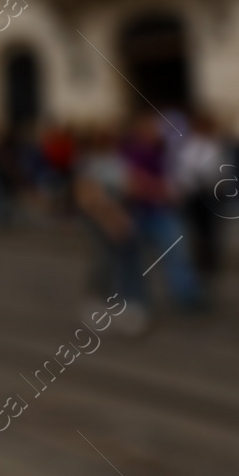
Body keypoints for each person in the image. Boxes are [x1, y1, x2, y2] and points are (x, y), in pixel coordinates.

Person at [121, 113, 204, 312]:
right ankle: (133, 300)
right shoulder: (131, 153)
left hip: (162, 211)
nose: (154, 133)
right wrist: (161, 190)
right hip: (139, 212)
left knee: (178, 253)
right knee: (134, 260)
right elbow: (132, 181)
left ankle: (185, 295)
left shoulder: (162, 152)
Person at [72, 126, 145, 334]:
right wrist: (109, 221)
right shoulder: (88, 164)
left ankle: (129, 305)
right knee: (102, 261)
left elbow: (129, 187)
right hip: (99, 220)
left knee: (127, 262)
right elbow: (88, 198)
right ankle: (95, 302)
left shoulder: (118, 162)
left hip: (121, 215)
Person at [172, 113, 227, 299]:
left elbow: (219, 170)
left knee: (210, 232)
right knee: (193, 232)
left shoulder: (214, 146)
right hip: (193, 195)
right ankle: (196, 265)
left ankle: (208, 266)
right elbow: (181, 169)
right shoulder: (189, 146)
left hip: (210, 194)